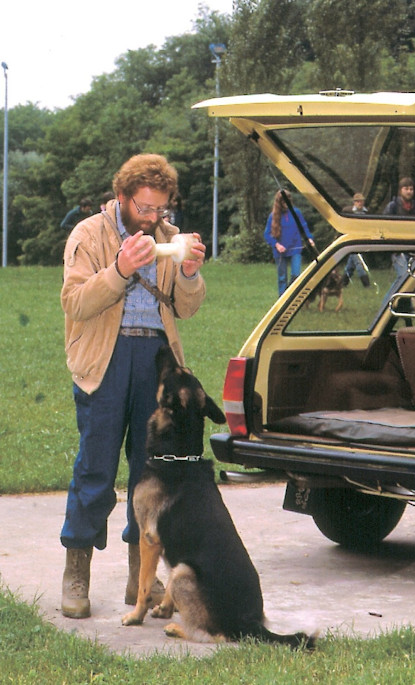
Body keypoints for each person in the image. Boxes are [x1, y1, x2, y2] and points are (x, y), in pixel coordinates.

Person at [59, 153, 209, 619]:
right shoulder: (88, 235)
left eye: (160, 209)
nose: (152, 218)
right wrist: (120, 270)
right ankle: (77, 569)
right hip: (105, 360)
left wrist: (189, 274)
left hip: (155, 361)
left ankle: (138, 577)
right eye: (144, 208)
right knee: (95, 467)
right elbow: (75, 303)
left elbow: (186, 308)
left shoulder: (169, 236)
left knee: (150, 472)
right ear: (121, 196)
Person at [264, 190, 316, 295]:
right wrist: (277, 245)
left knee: (296, 275)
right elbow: (267, 234)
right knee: (282, 278)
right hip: (280, 251)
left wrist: (309, 238)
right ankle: (283, 299)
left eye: (288, 201)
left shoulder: (296, 212)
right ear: (279, 202)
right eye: (284, 202)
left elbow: (303, 227)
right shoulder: (273, 216)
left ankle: (290, 295)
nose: (286, 204)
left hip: (295, 248)